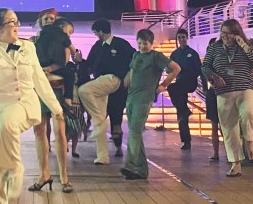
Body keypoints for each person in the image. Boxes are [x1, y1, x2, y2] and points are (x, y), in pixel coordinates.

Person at [0, 8, 64, 204]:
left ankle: (16, 168)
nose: (17, 25)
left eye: (17, 21)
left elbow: (39, 79)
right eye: (12, 22)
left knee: (8, 123)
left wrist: (55, 107)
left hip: (24, 103)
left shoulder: (28, 47)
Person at [203, 19, 253, 177]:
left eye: (229, 33)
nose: (225, 36)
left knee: (248, 112)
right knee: (229, 129)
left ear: (236, 34)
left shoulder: (245, 45)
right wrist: (213, 76)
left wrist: (243, 45)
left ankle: (250, 143)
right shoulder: (214, 47)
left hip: (246, 87)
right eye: (223, 33)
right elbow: (205, 66)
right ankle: (236, 164)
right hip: (223, 90)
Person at [122, 29, 180, 180]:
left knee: (135, 131)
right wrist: (129, 75)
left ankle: (131, 165)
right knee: (134, 133)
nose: (142, 46)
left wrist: (163, 85)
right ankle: (140, 169)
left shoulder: (156, 57)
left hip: (144, 97)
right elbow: (132, 68)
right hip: (132, 97)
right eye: (140, 43)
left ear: (152, 43)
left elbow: (176, 69)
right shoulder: (136, 55)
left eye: (145, 43)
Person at [30, 16, 76, 192]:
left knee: (59, 132)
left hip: (57, 89)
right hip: (40, 88)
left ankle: (64, 177)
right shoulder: (35, 41)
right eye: (45, 18)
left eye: (51, 18)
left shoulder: (61, 40)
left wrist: (49, 69)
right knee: (39, 131)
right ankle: (44, 175)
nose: (48, 20)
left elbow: (66, 61)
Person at [77, 19, 132, 164]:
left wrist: (129, 73)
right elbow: (89, 65)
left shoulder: (121, 44)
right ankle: (103, 156)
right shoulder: (97, 46)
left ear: (100, 31)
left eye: (95, 32)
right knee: (100, 119)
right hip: (101, 84)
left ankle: (117, 144)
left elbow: (135, 58)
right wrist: (80, 60)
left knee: (83, 90)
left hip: (114, 81)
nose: (95, 34)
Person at [166, 28, 202, 150]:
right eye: (179, 37)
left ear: (187, 38)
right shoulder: (175, 54)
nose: (181, 39)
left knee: (174, 89)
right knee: (181, 112)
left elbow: (199, 70)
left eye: (183, 37)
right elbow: (170, 68)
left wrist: (206, 87)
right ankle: (186, 140)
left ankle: (184, 110)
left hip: (190, 81)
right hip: (179, 83)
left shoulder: (192, 53)